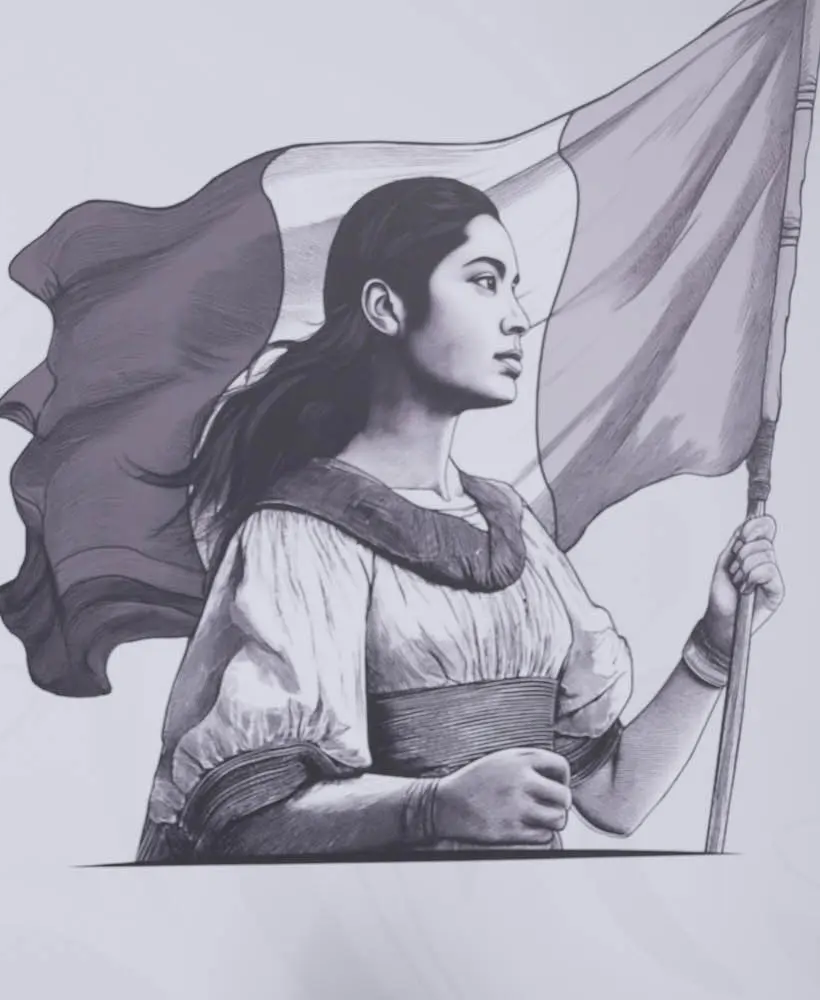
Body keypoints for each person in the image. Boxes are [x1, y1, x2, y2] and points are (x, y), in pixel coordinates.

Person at [135, 177, 785, 862]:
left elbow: (612, 798)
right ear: (386, 307)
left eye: (513, 286)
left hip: (517, 944)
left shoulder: (515, 530)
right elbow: (244, 824)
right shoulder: (301, 534)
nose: (515, 317)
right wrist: (433, 807)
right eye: (484, 281)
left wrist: (715, 644)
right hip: (383, 941)